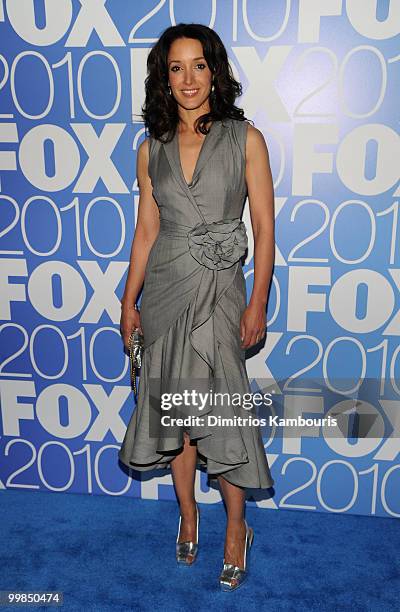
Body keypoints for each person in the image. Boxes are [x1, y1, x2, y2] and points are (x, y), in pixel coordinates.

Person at [119, 23, 275, 591]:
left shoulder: (246, 138)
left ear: (216, 70)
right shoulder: (150, 147)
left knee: (222, 417)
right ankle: (188, 514)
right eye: (176, 67)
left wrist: (257, 300)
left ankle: (237, 528)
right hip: (163, 289)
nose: (188, 79)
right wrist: (127, 302)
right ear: (164, 76)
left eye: (199, 65)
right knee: (178, 417)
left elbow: (262, 228)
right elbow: (145, 231)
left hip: (220, 292)